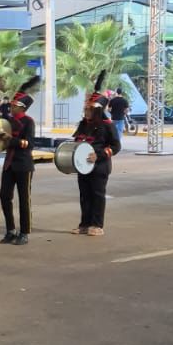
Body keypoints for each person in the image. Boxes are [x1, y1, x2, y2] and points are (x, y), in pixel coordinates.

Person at [73, 71, 121, 235]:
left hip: (99, 166)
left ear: (98, 110)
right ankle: (84, 224)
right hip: (83, 166)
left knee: (97, 195)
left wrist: (98, 155)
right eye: (86, 108)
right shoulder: (83, 124)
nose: (86, 112)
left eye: (90, 109)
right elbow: (77, 140)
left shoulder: (107, 125)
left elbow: (116, 146)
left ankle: (97, 225)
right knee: (84, 196)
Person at [0, 77, 38, 245]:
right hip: (9, 164)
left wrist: (10, 140)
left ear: (22, 107)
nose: (11, 107)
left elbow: (29, 144)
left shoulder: (29, 122)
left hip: (23, 165)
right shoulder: (7, 121)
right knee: (4, 197)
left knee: (24, 199)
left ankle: (24, 232)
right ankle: (10, 230)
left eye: (14, 105)